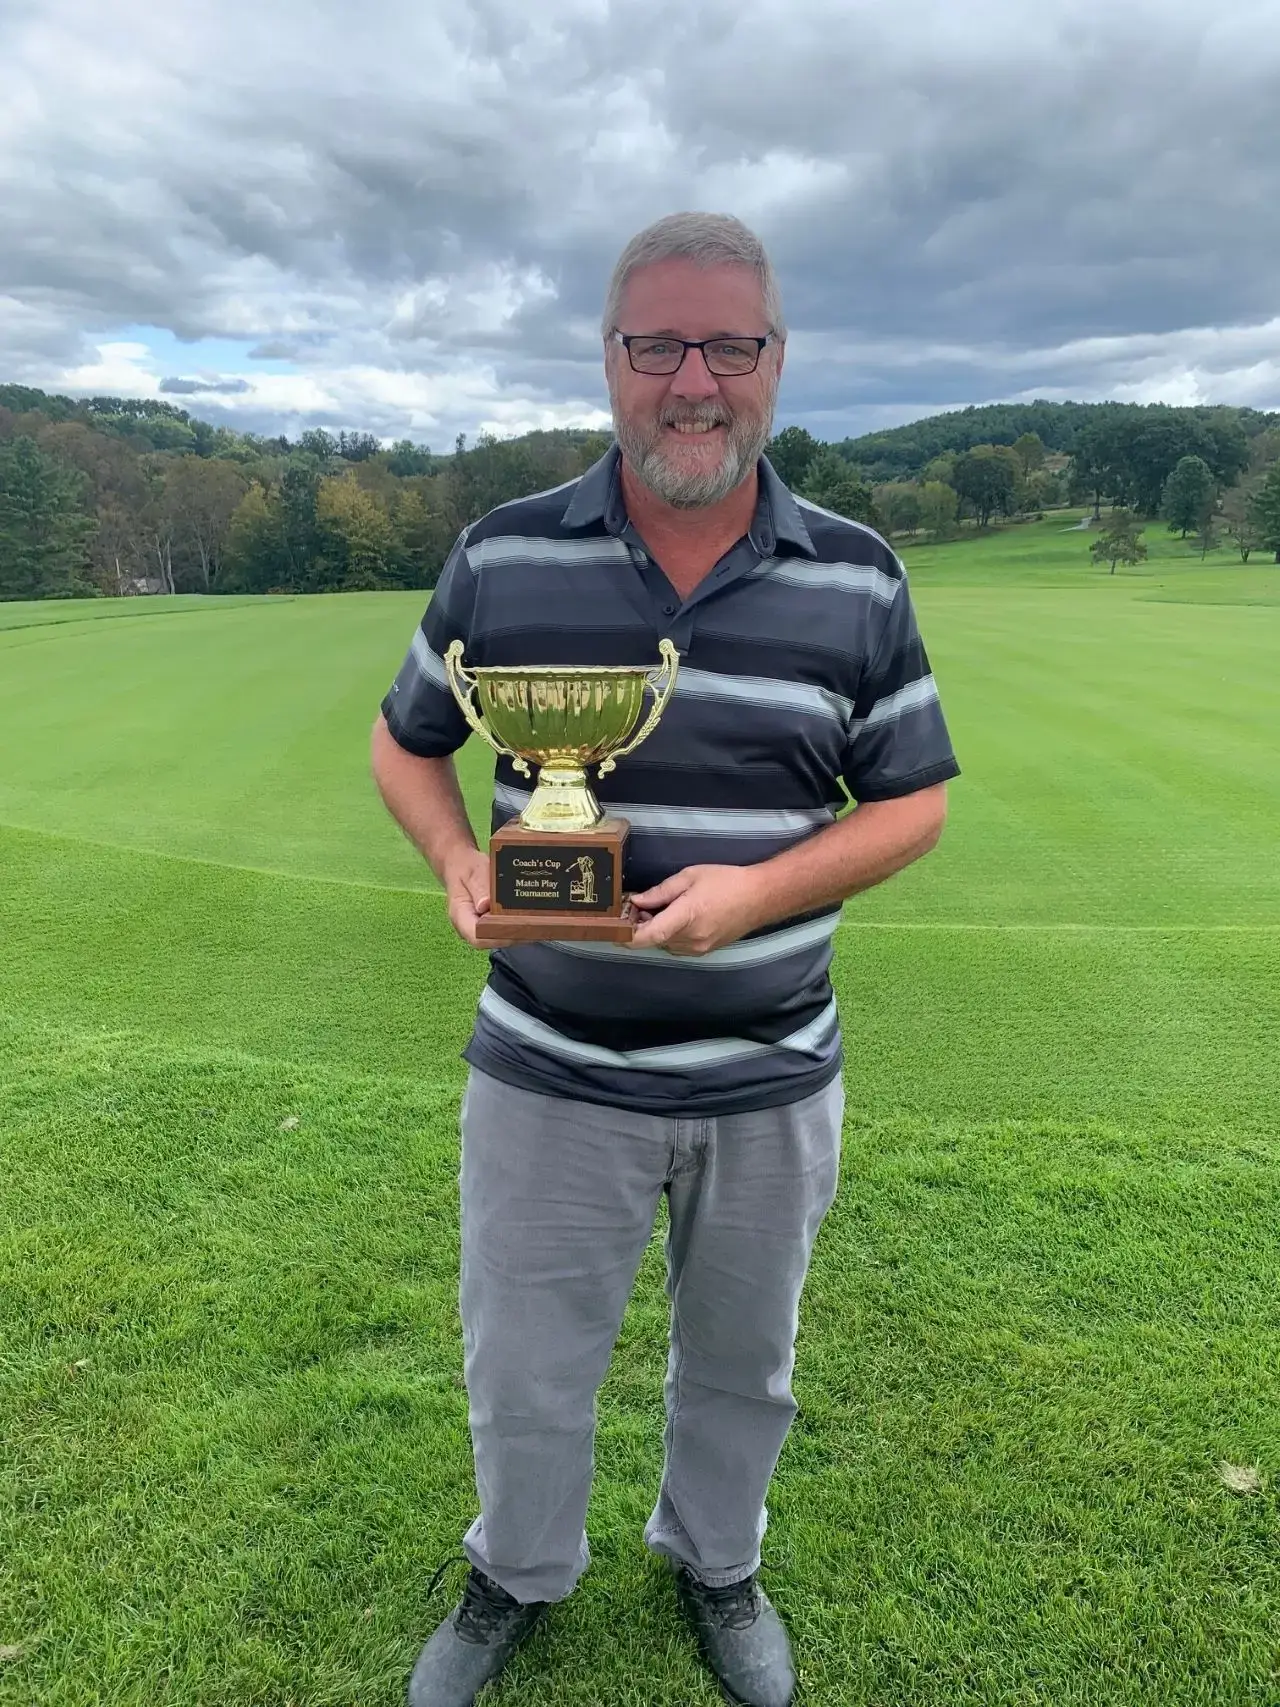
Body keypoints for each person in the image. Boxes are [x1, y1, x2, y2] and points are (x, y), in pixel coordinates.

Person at [372, 211, 959, 1707]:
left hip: (766, 1073)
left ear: (775, 360)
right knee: (523, 1364)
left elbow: (914, 802)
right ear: (612, 359)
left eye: (729, 346)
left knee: (745, 1362)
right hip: (547, 1069)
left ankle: (716, 1558)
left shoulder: (858, 575)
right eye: (659, 346)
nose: (693, 382)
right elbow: (405, 740)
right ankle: (516, 1570)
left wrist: (755, 894)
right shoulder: (502, 551)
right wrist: (457, 860)